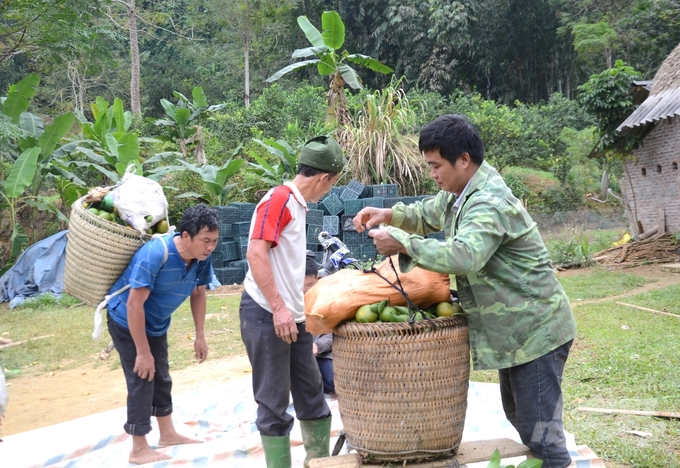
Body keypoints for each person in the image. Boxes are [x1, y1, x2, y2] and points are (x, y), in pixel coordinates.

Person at [353, 114, 577, 468]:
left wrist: (403, 244)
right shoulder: (460, 194)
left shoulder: (488, 201)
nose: (432, 174)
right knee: (522, 420)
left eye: (436, 165)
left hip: (536, 331)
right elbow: (429, 213)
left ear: (464, 160)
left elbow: (465, 255)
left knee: (543, 437)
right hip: (516, 333)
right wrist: (390, 214)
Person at [240, 135, 344, 468]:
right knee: (273, 400)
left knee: (311, 393)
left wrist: (296, 309)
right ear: (324, 178)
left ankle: (318, 463)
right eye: (332, 184)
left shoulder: (297, 206)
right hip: (265, 312)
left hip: (293, 316)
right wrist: (280, 308)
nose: (329, 189)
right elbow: (256, 253)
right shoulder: (278, 200)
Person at [106, 204, 219, 465]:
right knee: (142, 378)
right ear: (186, 236)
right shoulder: (157, 253)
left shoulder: (202, 258)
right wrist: (143, 352)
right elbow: (134, 305)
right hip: (127, 321)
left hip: (157, 323)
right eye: (205, 240)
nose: (210, 246)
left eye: (214, 241)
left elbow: (199, 293)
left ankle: (167, 434)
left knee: (162, 376)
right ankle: (138, 448)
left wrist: (200, 335)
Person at [303, 253, 335, 395]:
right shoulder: (288, 299)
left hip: (322, 353)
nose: (304, 289)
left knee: (333, 384)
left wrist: (317, 346)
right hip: (298, 354)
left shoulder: (328, 299)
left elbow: (335, 332)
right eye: (300, 285)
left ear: (317, 279)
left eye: (309, 284)